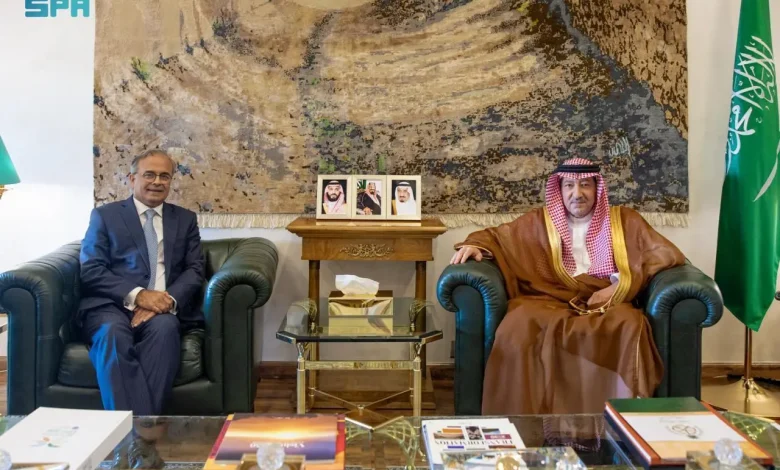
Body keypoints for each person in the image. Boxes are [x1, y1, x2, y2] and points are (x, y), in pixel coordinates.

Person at [450, 157, 685, 414]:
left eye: (585, 185)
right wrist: (476, 245)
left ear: (597, 188)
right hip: (549, 297)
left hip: (606, 300)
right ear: (559, 190)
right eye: (569, 185)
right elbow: (497, 237)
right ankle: (523, 421)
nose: (577, 193)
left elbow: (662, 254)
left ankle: (615, 419)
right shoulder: (539, 223)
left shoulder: (624, 221)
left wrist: (617, 286)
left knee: (629, 324)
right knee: (518, 325)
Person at [79, 149, 205, 419]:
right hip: (110, 306)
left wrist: (165, 300)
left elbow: (195, 269)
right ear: (132, 178)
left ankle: (134, 435)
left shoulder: (185, 219)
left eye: (164, 176)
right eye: (149, 174)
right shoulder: (105, 216)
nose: (157, 182)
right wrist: (139, 296)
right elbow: (92, 269)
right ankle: (144, 431)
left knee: (166, 330)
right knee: (112, 334)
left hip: (162, 309)